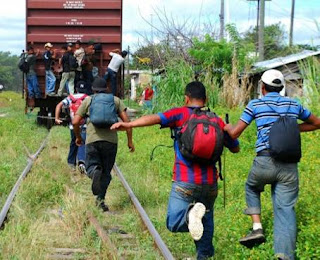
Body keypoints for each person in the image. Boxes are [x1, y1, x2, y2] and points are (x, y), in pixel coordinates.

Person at [111, 81, 240, 259]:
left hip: (184, 181)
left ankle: (189, 216)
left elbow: (155, 118)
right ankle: (204, 256)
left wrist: (129, 125)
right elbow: (235, 148)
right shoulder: (216, 120)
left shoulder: (180, 113)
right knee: (206, 219)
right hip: (210, 183)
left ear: (186, 98)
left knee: (174, 222)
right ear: (206, 99)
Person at [224, 69, 320, 260]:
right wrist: (291, 129)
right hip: (289, 167)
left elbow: (234, 134)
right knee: (285, 210)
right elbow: (317, 123)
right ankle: (284, 256)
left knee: (252, 187)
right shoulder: (294, 104)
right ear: (281, 87)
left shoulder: (255, 104)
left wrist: (226, 126)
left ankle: (257, 227)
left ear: (262, 87)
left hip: (264, 162)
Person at [73, 77, 135, 212]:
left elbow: (75, 121)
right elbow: (128, 123)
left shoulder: (88, 100)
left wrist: (78, 137)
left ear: (93, 90)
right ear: (107, 89)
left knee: (92, 167)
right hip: (111, 142)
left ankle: (94, 172)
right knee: (106, 172)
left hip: (92, 140)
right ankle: (100, 201)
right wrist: (130, 141)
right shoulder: (115, 100)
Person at [55, 80, 90, 173]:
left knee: (73, 142)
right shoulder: (88, 98)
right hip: (84, 125)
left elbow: (59, 105)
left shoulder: (70, 98)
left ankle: (71, 163)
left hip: (73, 125)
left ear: (76, 89)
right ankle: (82, 162)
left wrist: (57, 118)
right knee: (83, 141)